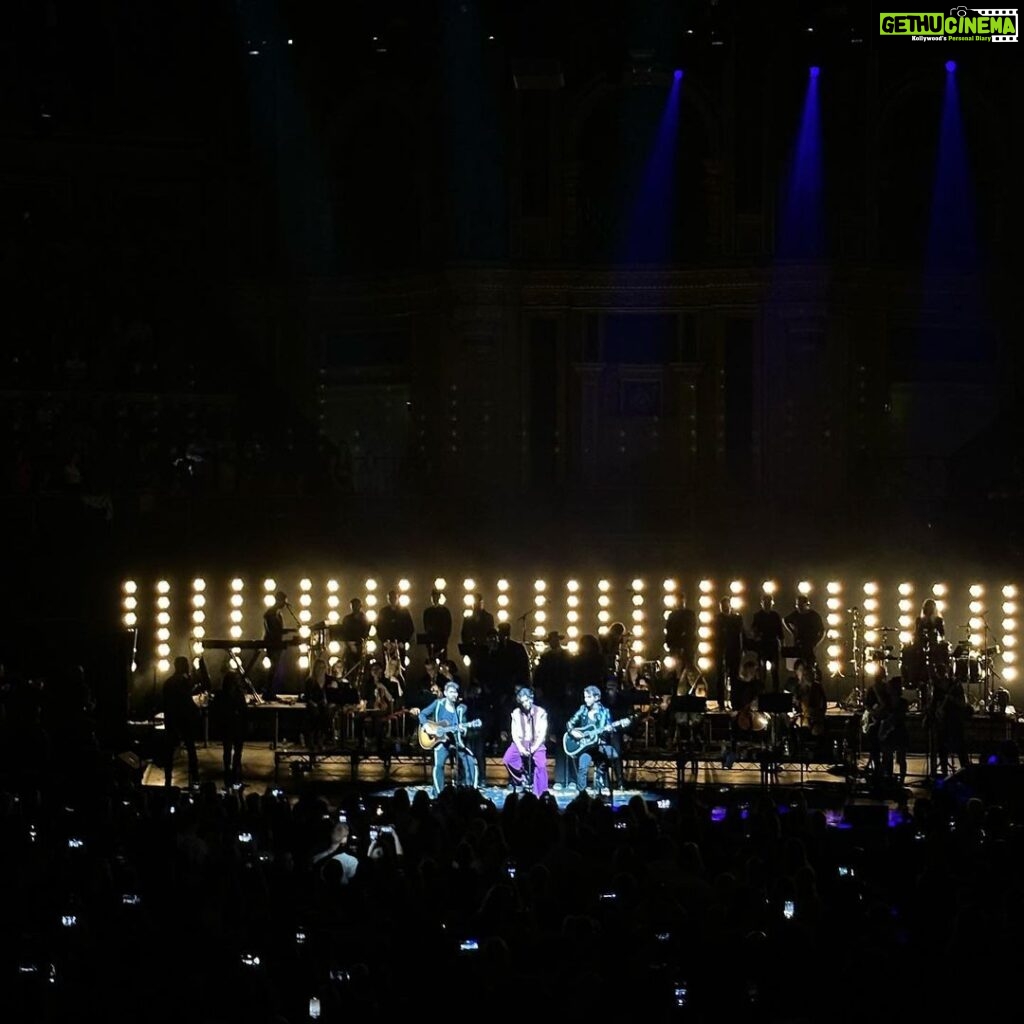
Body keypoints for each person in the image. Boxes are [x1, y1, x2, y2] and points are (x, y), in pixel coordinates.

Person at [417, 678, 479, 796]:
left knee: (470, 761)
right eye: (451, 692)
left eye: (455, 692)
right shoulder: (438, 704)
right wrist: (427, 726)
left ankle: (471, 792)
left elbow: (464, 726)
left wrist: (464, 730)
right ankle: (438, 794)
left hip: (456, 741)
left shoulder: (461, 709)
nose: (454, 694)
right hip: (441, 741)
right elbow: (422, 714)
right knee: (438, 765)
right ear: (445, 693)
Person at [565, 684, 623, 796]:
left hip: (600, 744)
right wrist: (574, 732)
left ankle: (600, 785)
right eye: (585, 697)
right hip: (585, 746)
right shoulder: (583, 709)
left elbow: (608, 728)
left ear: (596, 698)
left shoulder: (605, 712)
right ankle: (581, 793)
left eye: (588, 697)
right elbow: (570, 723)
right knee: (583, 767)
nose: (586, 699)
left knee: (611, 756)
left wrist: (609, 729)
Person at [161, 655, 203, 788]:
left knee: (169, 750)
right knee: (190, 749)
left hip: (171, 719)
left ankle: (168, 778)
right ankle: (195, 778)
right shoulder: (184, 681)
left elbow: (165, 703)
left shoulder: (168, 682)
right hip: (184, 720)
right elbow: (187, 700)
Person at [503, 686, 548, 796]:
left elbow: (542, 733)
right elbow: (514, 734)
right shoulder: (516, 713)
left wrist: (534, 748)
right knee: (507, 759)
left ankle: (539, 793)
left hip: (536, 743)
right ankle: (523, 778)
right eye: (523, 702)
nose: (525, 704)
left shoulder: (541, 712)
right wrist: (521, 748)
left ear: (531, 699)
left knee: (541, 765)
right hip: (521, 743)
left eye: (527, 700)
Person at [213, 668, 249, 786]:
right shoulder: (238, 694)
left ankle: (230, 770)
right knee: (233, 750)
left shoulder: (221, 694)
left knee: (229, 749)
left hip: (229, 725)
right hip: (234, 725)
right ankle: (232, 770)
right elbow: (244, 709)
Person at [260, 590, 295, 700]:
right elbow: (274, 630)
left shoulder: (277, 613)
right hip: (272, 643)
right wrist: (289, 631)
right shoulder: (270, 613)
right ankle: (268, 692)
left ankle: (270, 691)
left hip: (276, 643)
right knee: (272, 668)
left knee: (274, 669)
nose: (284, 604)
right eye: (283, 601)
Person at [712, 596, 745, 709]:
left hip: (734, 652)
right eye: (723, 607)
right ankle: (721, 702)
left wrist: (741, 650)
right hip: (721, 651)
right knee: (720, 678)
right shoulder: (717, 619)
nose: (725, 608)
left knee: (734, 678)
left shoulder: (736, 618)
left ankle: (734, 701)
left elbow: (740, 635)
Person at [750, 594, 785, 691]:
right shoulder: (758, 616)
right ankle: (762, 693)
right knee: (762, 672)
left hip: (772, 644)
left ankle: (775, 692)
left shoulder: (775, 616)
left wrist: (782, 647)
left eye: (768, 602)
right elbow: (753, 631)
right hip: (763, 646)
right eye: (765, 602)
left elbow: (780, 632)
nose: (767, 604)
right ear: (762, 603)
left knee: (775, 672)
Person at [783, 595, 825, 673]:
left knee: (810, 664)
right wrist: (792, 631)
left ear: (806, 605)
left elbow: (822, 631)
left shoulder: (814, 615)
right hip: (798, 643)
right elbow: (785, 620)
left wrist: (816, 642)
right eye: (797, 605)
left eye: (801, 605)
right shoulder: (795, 614)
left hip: (810, 644)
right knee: (798, 665)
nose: (799, 607)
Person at [664, 593, 698, 668]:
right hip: (677, 646)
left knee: (687, 667)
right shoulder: (673, 615)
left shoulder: (688, 614)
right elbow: (668, 630)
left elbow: (691, 630)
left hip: (685, 646)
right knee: (677, 668)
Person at [339, 598, 370, 677]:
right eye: (353, 606)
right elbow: (344, 634)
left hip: (360, 646)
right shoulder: (347, 619)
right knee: (349, 667)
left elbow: (366, 632)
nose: (355, 607)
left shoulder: (364, 618)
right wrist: (350, 645)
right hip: (350, 647)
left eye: (356, 605)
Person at [423, 588, 453, 661]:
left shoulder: (445, 611)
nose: (434, 598)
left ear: (439, 597)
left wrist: (445, 638)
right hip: (431, 641)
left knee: (442, 661)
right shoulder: (427, 612)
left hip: (441, 640)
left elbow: (448, 626)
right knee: (432, 660)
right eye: (433, 596)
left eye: (436, 596)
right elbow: (426, 627)